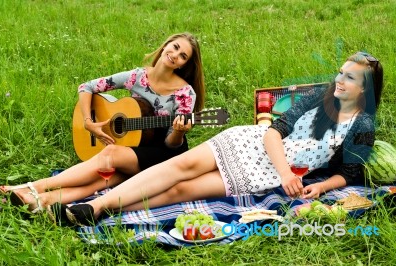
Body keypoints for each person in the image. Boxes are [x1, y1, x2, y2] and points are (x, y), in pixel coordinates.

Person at [56, 51, 383, 226]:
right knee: (180, 167)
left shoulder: (362, 125)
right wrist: (287, 174)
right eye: (340, 72)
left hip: (263, 175)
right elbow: (273, 132)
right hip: (250, 144)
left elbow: (350, 173)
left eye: (349, 77)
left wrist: (321, 186)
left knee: (181, 190)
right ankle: (95, 207)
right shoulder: (318, 97)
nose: (339, 79)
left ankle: (114, 207)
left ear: (364, 88)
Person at [0, 32, 206, 213]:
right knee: (105, 176)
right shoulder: (137, 77)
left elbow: (173, 145)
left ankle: (33, 187)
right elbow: (86, 87)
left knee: (109, 155)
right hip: (137, 144)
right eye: (175, 47)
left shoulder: (185, 93)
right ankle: (42, 201)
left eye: (183, 56)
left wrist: (179, 131)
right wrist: (89, 123)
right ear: (166, 45)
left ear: (183, 65)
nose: (175, 55)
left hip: (164, 154)